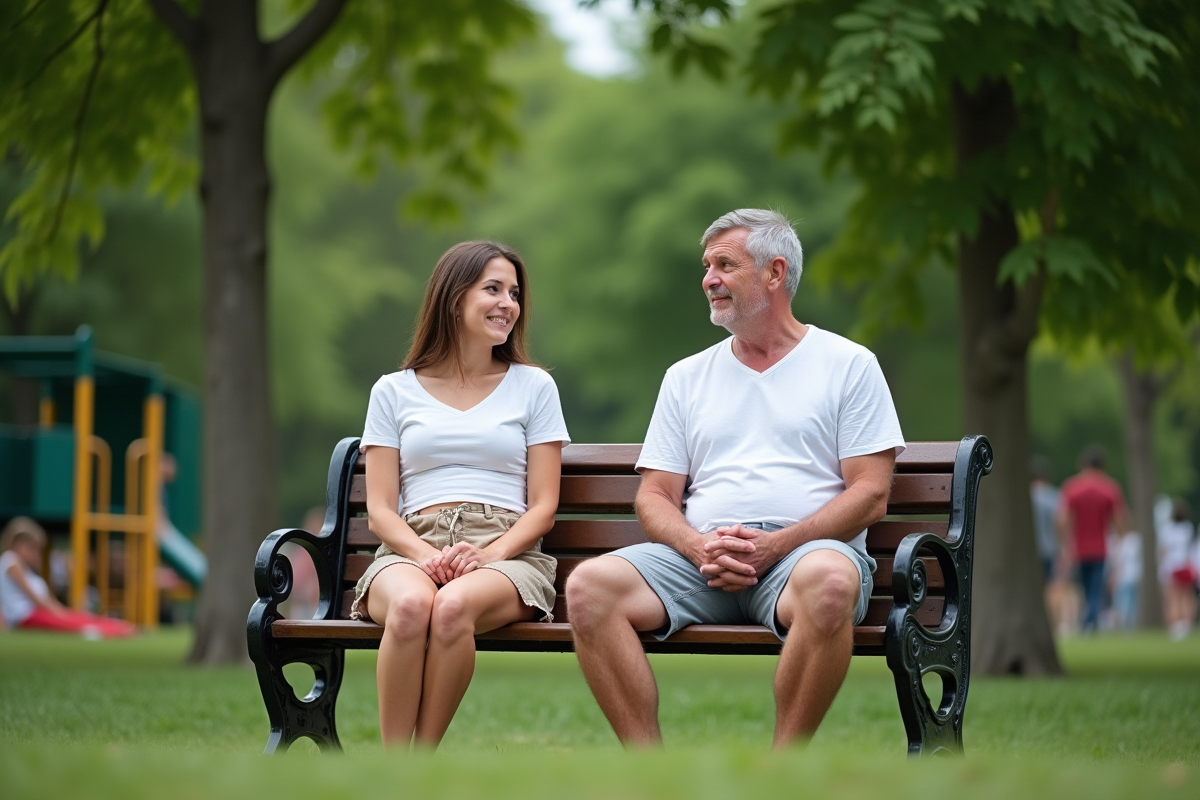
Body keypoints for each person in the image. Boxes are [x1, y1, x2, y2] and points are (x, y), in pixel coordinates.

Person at [565, 209, 903, 748]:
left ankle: (779, 772)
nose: (709, 279)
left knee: (832, 585)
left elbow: (871, 493)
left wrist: (777, 546)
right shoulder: (686, 376)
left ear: (774, 273)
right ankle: (650, 778)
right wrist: (699, 546)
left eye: (725, 264)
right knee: (587, 588)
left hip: (803, 557)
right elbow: (654, 496)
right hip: (699, 560)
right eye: (706, 266)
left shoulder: (849, 364)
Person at [349, 240, 570, 748]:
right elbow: (381, 510)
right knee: (410, 609)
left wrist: (488, 554)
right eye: (492, 289)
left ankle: (419, 766)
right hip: (411, 544)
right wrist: (427, 556)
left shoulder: (534, 387)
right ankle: (390, 769)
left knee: (450, 609)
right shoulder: (393, 391)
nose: (508, 303)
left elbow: (544, 506)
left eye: (514, 292)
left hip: (505, 550)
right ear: (453, 298)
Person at [0, 517, 135, 638]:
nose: (34, 554)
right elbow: (33, 597)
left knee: (77, 617)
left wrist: (61, 610)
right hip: (25, 617)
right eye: (30, 548)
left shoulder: (25, 568)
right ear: (15, 544)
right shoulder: (11, 560)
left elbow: (46, 599)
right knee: (70, 623)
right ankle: (114, 630)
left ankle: (117, 626)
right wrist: (57, 612)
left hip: (36, 613)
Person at [1057, 446, 1128, 633]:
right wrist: (1121, 540)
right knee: (1096, 587)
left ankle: (1088, 620)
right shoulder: (1110, 488)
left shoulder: (1072, 487)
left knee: (1084, 588)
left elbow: (1063, 519)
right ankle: (1090, 621)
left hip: (1078, 547)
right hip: (1100, 547)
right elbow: (1119, 519)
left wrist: (1064, 542)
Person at [1158, 498, 1196, 641]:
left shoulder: (1167, 530)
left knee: (1173, 599)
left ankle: (1174, 626)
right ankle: (1186, 624)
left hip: (1171, 567)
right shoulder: (1188, 528)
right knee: (1186, 597)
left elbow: (1163, 551)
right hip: (1184, 566)